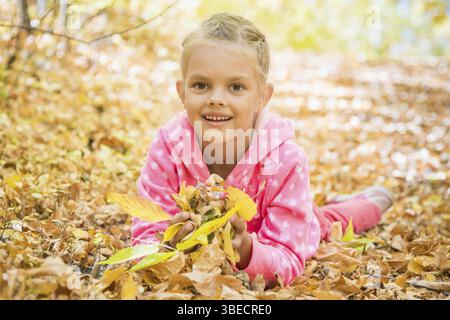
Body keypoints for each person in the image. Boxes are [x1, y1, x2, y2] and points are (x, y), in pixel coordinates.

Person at [131, 12, 393, 288]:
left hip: (291, 229)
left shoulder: (285, 160)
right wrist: (166, 246)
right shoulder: (168, 149)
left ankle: (374, 200)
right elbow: (144, 235)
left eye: (236, 87)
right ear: (182, 92)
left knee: (329, 222)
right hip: (280, 214)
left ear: (262, 97)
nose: (216, 99)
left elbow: (288, 258)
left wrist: (245, 250)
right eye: (201, 85)